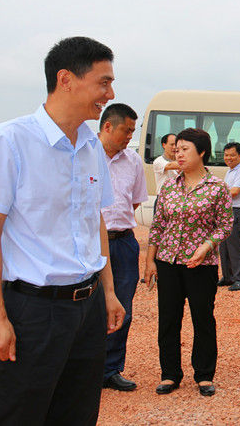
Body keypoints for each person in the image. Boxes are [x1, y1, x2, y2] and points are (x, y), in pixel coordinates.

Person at [0, 36, 125, 425]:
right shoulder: (10, 141)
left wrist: (107, 291)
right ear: (66, 79)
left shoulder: (91, 146)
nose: (110, 94)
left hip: (87, 309)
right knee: (15, 415)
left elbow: (94, 221)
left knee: (76, 414)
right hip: (33, 311)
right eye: (103, 82)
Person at [144, 128, 233, 397]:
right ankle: (170, 374)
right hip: (168, 262)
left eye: (185, 149)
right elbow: (158, 226)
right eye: (177, 150)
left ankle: (204, 375)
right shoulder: (169, 186)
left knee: (202, 319)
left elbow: (225, 225)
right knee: (168, 319)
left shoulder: (217, 187)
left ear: (202, 152)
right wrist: (150, 261)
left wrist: (206, 246)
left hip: (201, 265)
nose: (178, 155)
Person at [98, 103, 148, 392]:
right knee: (89, 307)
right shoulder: (85, 154)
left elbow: (135, 201)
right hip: (92, 244)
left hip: (124, 242)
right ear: (108, 127)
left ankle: (111, 369)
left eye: (132, 131)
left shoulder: (133, 160)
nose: (130, 136)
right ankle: (86, 369)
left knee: (122, 308)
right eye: (126, 130)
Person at [219, 142, 240, 291]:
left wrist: (216, 195)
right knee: (224, 246)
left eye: (232, 155)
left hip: (236, 211)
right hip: (226, 211)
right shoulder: (231, 171)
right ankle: (228, 276)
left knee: (236, 247)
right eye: (226, 155)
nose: (228, 158)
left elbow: (235, 191)